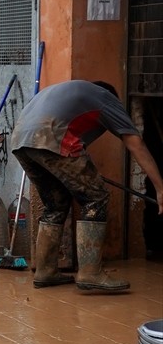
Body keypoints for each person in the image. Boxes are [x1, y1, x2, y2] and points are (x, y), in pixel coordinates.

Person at [11, 79, 163, 293]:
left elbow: (73, 151)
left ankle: (45, 271)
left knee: (56, 204)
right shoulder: (106, 98)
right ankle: (90, 273)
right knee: (96, 196)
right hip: (50, 137)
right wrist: (160, 188)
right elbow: (136, 144)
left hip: (21, 141)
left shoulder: (73, 94)